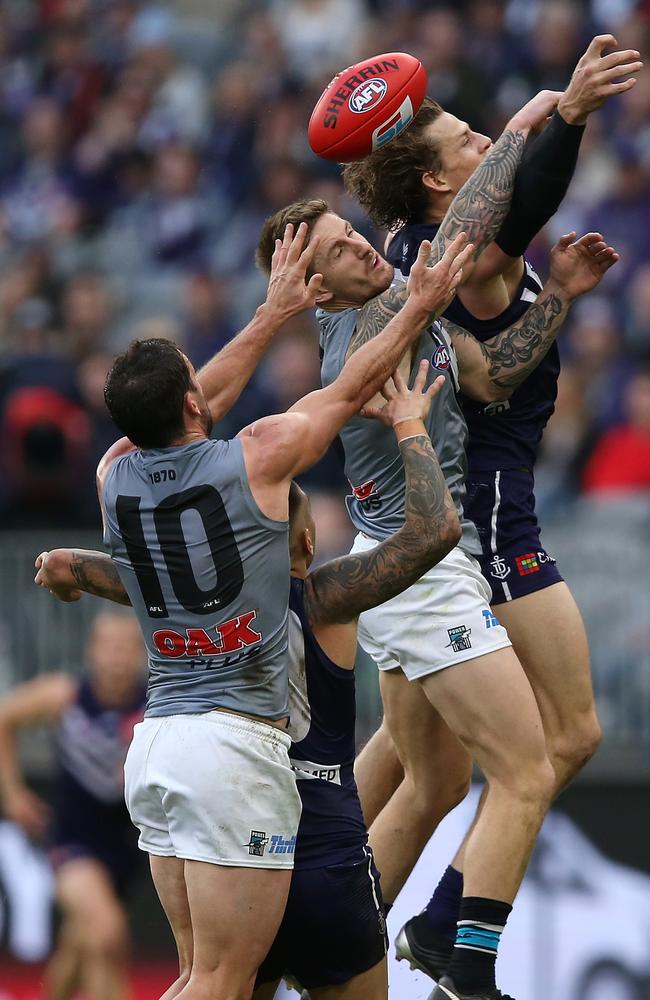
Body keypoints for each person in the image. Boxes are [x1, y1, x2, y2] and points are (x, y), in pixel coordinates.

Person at [81, 222, 469, 1000]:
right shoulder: (255, 457)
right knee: (220, 982)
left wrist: (269, 314)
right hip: (233, 749)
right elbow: (354, 385)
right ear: (195, 402)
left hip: (156, 742)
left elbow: (188, 408)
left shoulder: (112, 476)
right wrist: (418, 304)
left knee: (199, 973)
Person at [255, 171, 618, 997]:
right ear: (315, 287)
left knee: (438, 781)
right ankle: (468, 969)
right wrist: (542, 116)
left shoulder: (390, 311)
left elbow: (491, 378)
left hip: (404, 570)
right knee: (527, 771)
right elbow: (480, 208)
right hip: (422, 574)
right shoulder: (377, 317)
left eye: (352, 232)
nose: (358, 245)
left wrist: (555, 293)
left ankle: (333, 948)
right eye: (337, 252)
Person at [341, 34, 642, 987]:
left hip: (415, 520)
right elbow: (528, 206)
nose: (487, 144)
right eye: (469, 141)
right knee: (564, 738)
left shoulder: (407, 249)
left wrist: (554, 290)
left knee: (420, 770)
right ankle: (446, 932)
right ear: (437, 185)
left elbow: (489, 365)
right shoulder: (460, 249)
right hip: (484, 515)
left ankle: (326, 914)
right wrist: (563, 119)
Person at [0, 609, 146, 1000]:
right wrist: (13, 793)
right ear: (92, 651)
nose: (117, 658)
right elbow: (4, 718)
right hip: (71, 840)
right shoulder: (63, 695)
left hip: (123, 845)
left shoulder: (153, 705)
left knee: (80, 945)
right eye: (109, 647)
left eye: (126, 648)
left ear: (142, 653)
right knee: (106, 933)